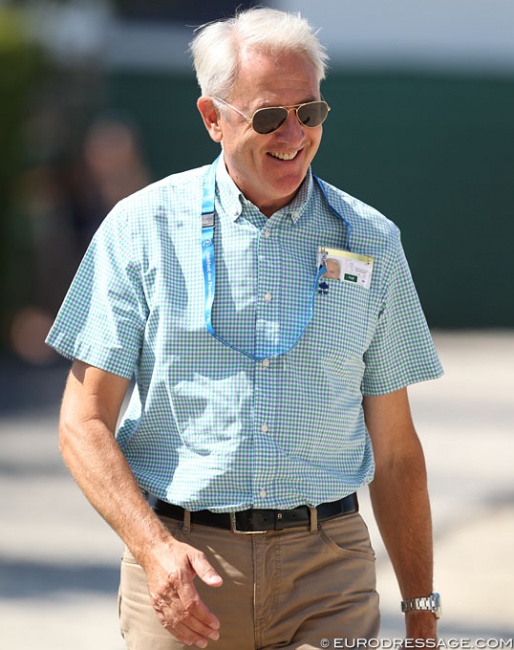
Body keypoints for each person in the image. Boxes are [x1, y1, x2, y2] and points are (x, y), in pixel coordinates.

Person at [46, 7, 444, 650]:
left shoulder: (371, 241)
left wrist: (422, 615)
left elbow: (396, 451)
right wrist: (153, 550)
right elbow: (83, 421)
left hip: (329, 572)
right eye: (268, 116)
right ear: (212, 118)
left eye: (309, 112)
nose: (294, 133)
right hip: (185, 569)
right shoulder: (138, 230)